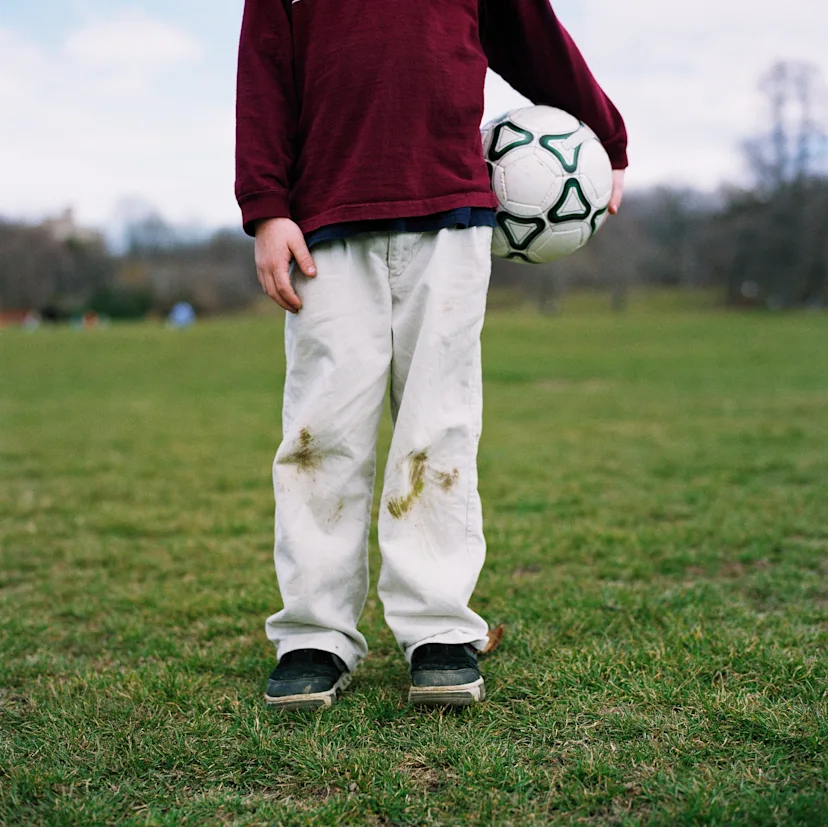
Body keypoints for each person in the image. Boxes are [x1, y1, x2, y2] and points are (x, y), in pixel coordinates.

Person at [235, 0, 627, 710]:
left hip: (450, 214)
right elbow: (262, 73)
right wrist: (267, 205)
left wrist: (607, 137)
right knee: (320, 432)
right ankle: (314, 635)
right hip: (325, 221)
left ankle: (439, 630)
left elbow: (536, 39)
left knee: (437, 425)